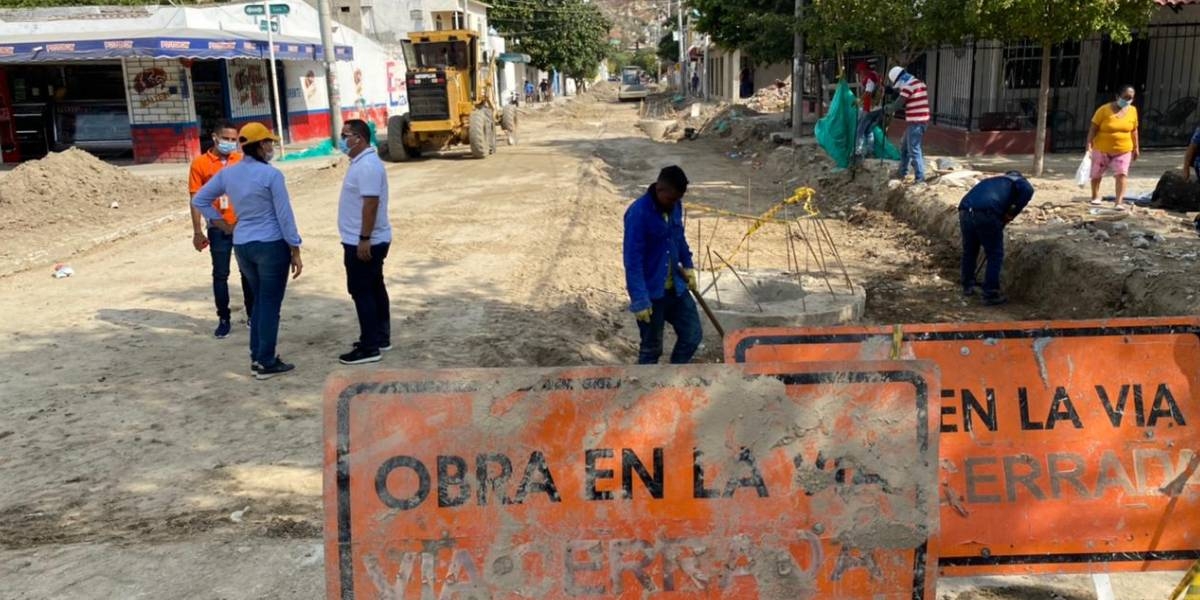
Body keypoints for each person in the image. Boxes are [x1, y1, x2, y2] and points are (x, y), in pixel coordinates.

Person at [192, 123, 303, 380]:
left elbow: (199, 199)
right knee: (269, 304)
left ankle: (258, 357)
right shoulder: (271, 176)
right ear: (261, 145)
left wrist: (221, 223)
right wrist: (295, 248)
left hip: (243, 245)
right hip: (271, 244)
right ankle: (265, 361)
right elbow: (284, 216)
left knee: (260, 302)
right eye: (269, 143)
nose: (271, 147)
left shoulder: (230, 173)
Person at [623, 165, 702, 365]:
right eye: (671, 198)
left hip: (676, 287)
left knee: (692, 336)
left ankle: (673, 379)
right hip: (651, 293)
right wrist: (640, 300)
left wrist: (688, 265)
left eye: (678, 199)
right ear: (659, 189)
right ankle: (643, 390)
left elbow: (679, 238)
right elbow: (633, 260)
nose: (674, 203)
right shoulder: (638, 214)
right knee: (652, 349)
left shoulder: (675, 206)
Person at [189, 120, 253, 338]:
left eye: (235, 140)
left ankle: (252, 314)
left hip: (243, 225)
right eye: (227, 139)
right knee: (220, 274)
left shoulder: (241, 161)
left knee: (248, 272)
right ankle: (223, 318)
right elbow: (195, 199)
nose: (231, 143)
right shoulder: (200, 164)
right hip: (218, 227)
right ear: (215, 138)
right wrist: (197, 231)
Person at [336, 119, 392, 365]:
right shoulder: (360, 163)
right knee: (374, 287)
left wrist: (364, 239)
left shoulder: (367, 166)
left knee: (362, 291)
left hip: (365, 241)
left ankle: (370, 346)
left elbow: (370, 204)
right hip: (365, 238)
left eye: (344, 135)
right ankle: (380, 337)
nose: (342, 139)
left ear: (358, 137)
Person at [959, 171, 1035, 306]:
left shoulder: (991, 181)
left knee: (970, 250)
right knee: (995, 253)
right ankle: (990, 293)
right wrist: (1010, 215)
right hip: (987, 213)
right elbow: (1028, 190)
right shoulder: (1018, 181)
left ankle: (967, 284)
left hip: (965, 211)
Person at [1087, 85, 1140, 210]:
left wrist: (1136, 147)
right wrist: (1088, 145)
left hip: (1123, 149)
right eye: (1125, 97)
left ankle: (1118, 202)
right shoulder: (1103, 110)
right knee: (1096, 174)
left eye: (1130, 98)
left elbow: (1134, 130)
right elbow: (1093, 128)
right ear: (1117, 96)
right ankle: (1095, 196)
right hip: (1101, 148)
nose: (1127, 101)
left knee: (1122, 174)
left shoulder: (1132, 110)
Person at [885, 66, 931, 183]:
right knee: (905, 147)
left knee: (914, 150)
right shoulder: (919, 83)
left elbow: (897, 105)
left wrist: (887, 108)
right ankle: (902, 172)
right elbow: (907, 98)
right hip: (919, 121)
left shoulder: (908, 87)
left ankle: (920, 179)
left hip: (916, 122)